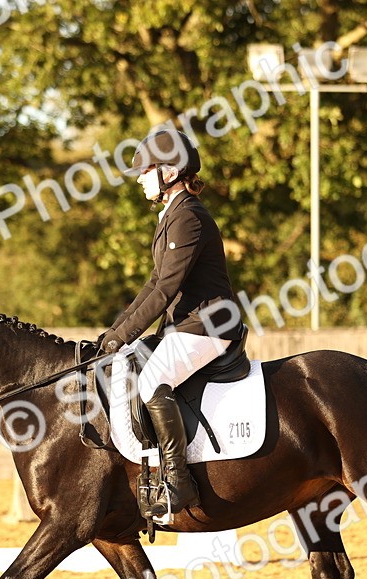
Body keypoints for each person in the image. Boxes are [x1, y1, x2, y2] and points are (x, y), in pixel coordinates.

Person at [97, 129, 243, 513]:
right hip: (186, 325)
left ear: (171, 172)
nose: (140, 179)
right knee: (132, 366)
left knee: (152, 381)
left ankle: (179, 481)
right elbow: (153, 283)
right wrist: (116, 332)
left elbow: (166, 289)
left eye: (146, 171)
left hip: (208, 325)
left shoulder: (189, 217)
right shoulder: (172, 215)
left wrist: (124, 335)